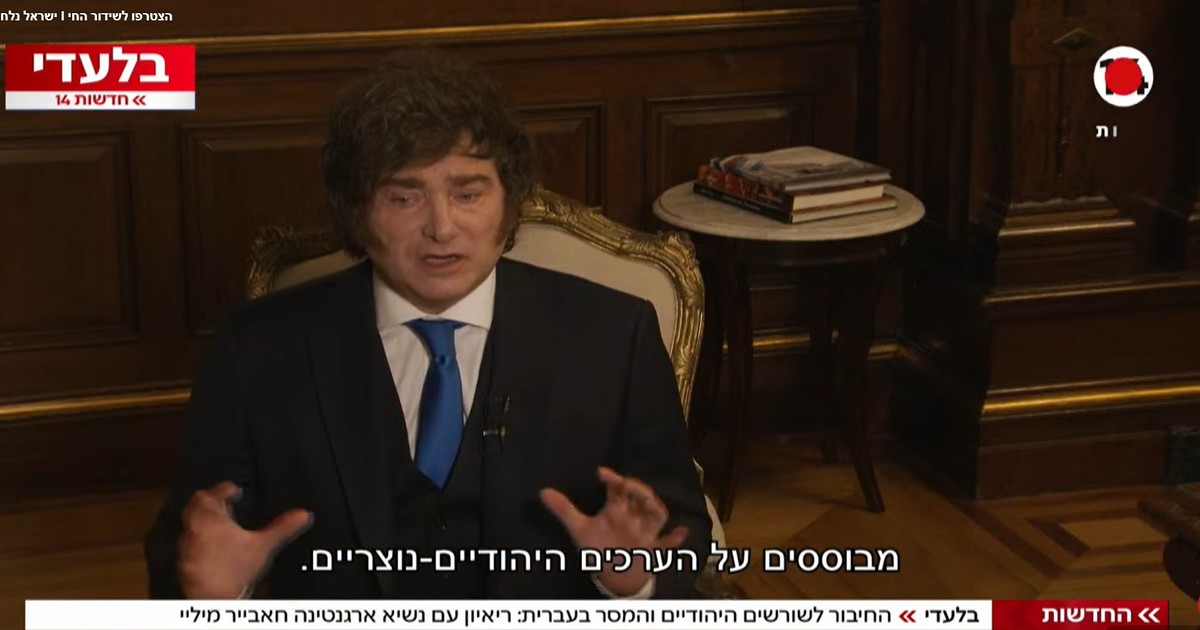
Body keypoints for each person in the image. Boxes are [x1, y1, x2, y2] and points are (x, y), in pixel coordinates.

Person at [143, 48, 711, 600]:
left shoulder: (614, 335)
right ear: (356, 210)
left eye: (468, 193)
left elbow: (683, 531)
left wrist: (631, 580)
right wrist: (213, 595)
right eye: (403, 197)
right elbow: (184, 547)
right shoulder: (258, 347)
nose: (442, 227)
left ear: (509, 200)